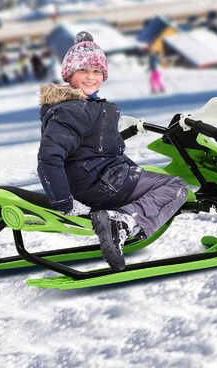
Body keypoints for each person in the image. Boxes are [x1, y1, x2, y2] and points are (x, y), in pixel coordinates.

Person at [37, 32, 188, 271]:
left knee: (147, 176)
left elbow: (103, 151)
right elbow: (48, 158)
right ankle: (122, 222)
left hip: (100, 180)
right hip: (101, 185)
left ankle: (121, 219)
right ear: (69, 74)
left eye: (97, 71)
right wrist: (63, 202)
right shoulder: (73, 110)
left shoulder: (88, 107)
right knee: (176, 186)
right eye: (83, 71)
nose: (91, 77)